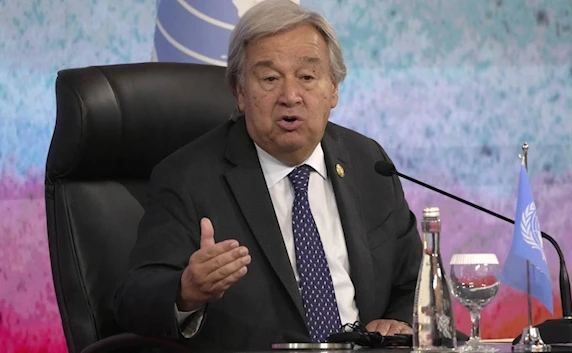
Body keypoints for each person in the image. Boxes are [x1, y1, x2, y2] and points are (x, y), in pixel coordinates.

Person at [114, 0, 422, 351]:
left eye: (307, 77)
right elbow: (132, 298)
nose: (290, 96)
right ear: (241, 91)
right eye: (270, 78)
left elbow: (413, 281)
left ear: (333, 89)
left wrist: (398, 324)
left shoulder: (369, 162)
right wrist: (186, 291)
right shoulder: (188, 178)